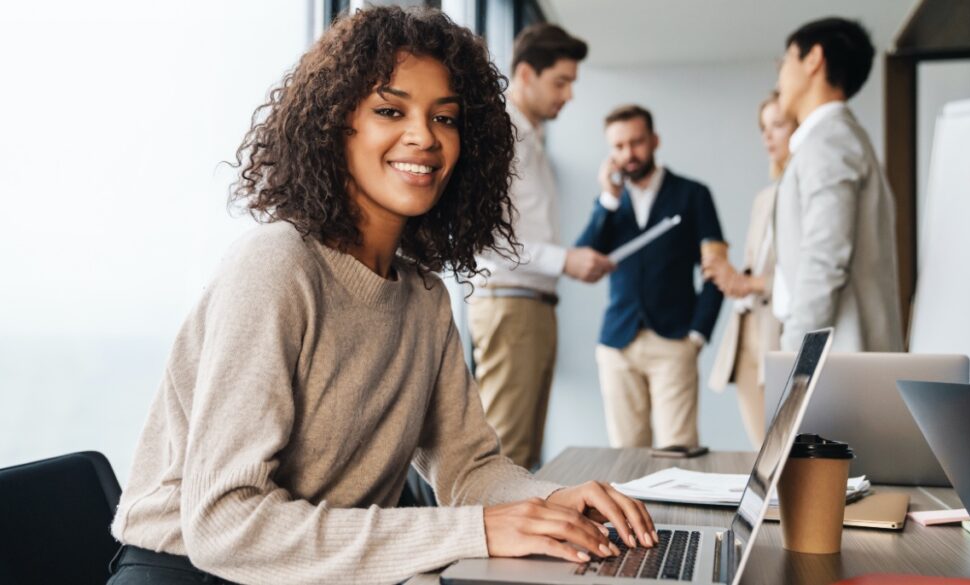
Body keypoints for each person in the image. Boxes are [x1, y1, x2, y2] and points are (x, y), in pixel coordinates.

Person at [106, 8, 657, 585]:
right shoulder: (275, 265)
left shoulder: (424, 297)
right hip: (190, 572)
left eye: (445, 117)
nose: (424, 136)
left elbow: (469, 468)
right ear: (335, 124)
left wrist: (554, 502)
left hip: (317, 571)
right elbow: (226, 525)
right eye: (390, 111)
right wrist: (478, 530)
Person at [470, 23, 611, 470]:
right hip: (512, 304)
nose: (569, 95)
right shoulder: (503, 136)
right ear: (526, 75)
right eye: (561, 82)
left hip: (532, 304)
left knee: (524, 455)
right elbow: (486, 238)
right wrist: (564, 259)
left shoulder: (532, 139)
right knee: (505, 453)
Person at [576, 104, 724, 449]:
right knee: (625, 454)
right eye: (619, 146)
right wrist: (608, 201)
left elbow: (716, 269)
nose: (629, 153)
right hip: (617, 342)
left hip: (674, 341)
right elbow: (583, 259)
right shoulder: (610, 204)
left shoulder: (692, 194)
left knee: (678, 450)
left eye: (637, 142)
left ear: (654, 140)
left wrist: (698, 334)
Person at [769, 17, 903, 352]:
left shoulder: (829, 141)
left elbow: (825, 257)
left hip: (836, 357)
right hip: (841, 354)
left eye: (784, 62)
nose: (779, 76)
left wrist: (793, 350)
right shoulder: (838, 139)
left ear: (813, 59)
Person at [706, 92, 795, 448]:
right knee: (762, 450)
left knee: (787, 449)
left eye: (778, 125)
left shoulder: (806, 194)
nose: (767, 136)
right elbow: (755, 267)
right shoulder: (765, 197)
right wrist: (729, 276)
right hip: (745, 334)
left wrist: (749, 282)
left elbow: (808, 276)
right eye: (763, 128)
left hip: (781, 332)